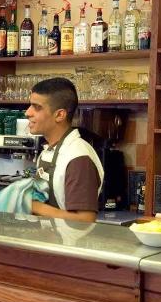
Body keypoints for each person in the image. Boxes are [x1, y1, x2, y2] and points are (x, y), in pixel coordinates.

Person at [25, 77, 104, 223]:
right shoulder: (49, 150)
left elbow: (85, 220)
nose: (27, 113)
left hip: (69, 238)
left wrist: (33, 206)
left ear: (60, 115)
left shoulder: (78, 157)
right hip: (50, 236)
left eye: (37, 107)